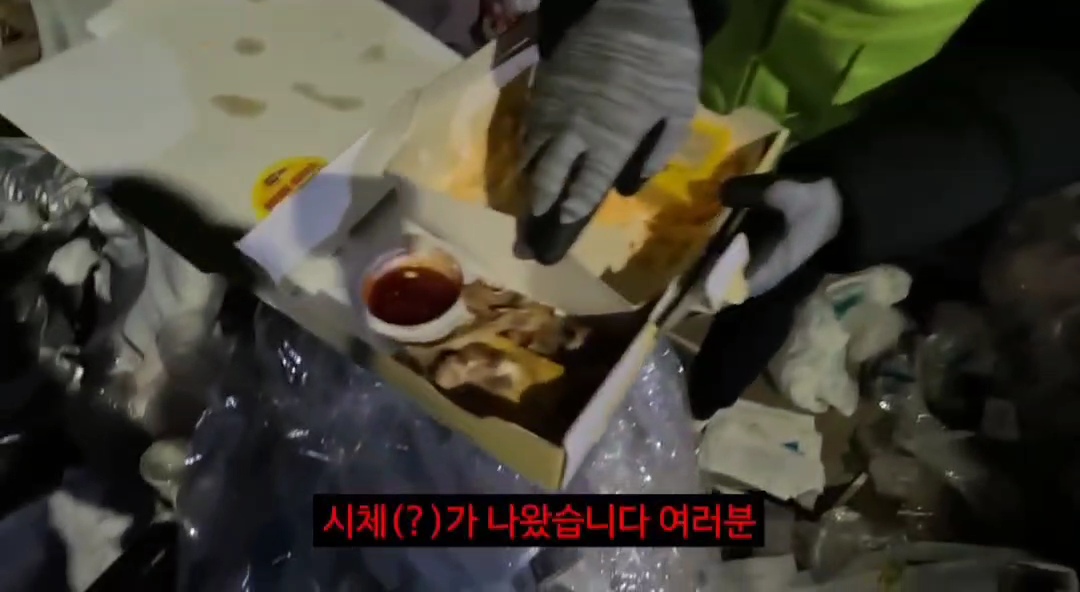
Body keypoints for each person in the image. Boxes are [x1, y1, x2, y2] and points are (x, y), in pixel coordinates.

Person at [520, 0, 1080, 418]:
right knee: (542, 254)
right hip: (645, 63)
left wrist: (874, 189)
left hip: (840, 141)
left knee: (725, 347)